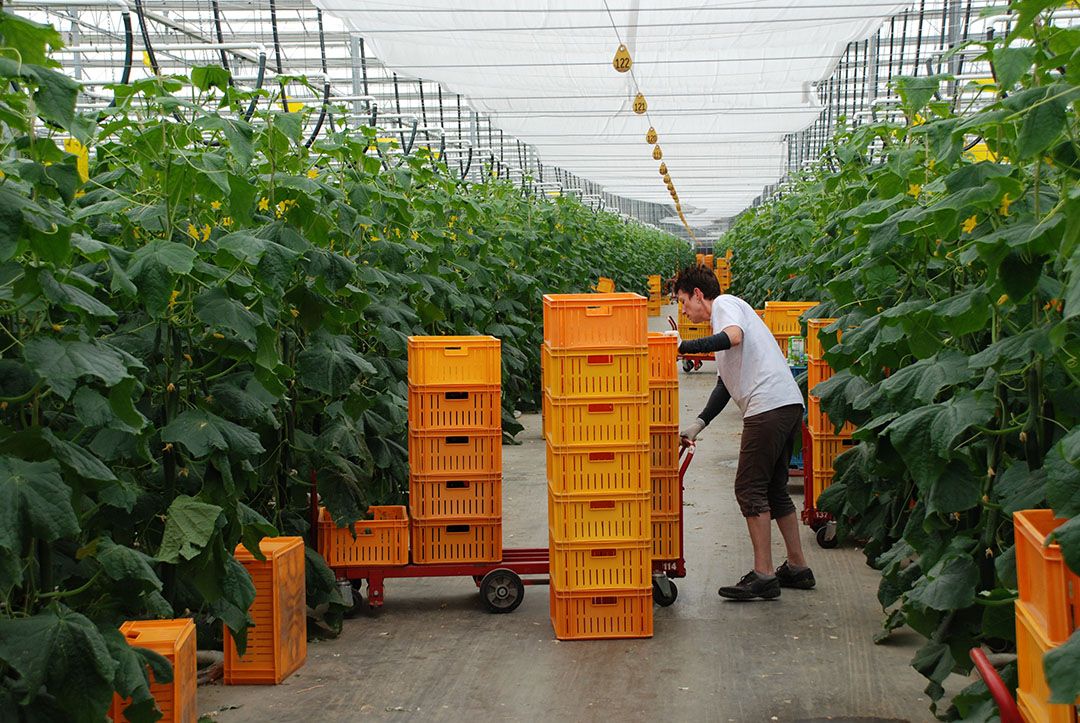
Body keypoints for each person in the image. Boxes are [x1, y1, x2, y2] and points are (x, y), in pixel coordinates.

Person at [674, 265, 815, 600]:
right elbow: (726, 383)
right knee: (775, 490)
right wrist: (699, 423)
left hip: (767, 408)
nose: (683, 311)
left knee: (749, 488)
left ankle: (764, 575)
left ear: (698, 294)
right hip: (786, 405)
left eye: (683, 302)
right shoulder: (723, 321)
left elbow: (733, 337)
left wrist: (685, 346)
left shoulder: (724, 304)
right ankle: (797, 567)